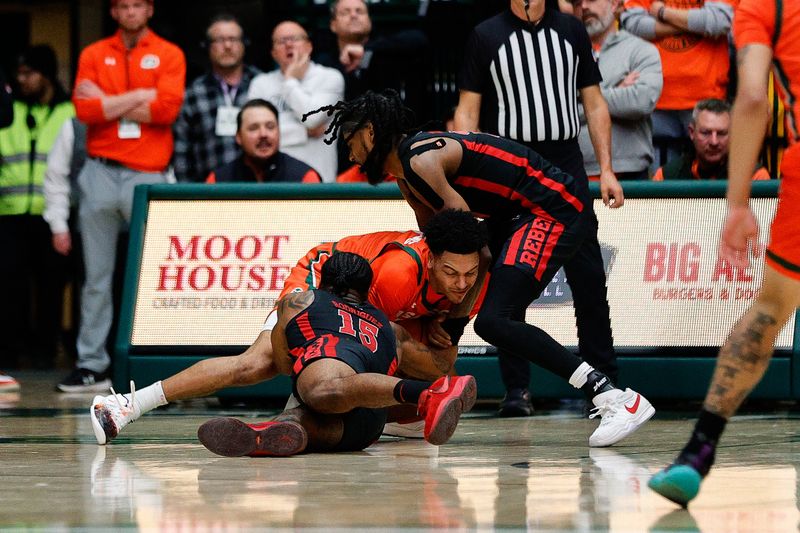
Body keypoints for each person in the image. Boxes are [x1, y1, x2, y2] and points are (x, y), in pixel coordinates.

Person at [309, 89, 655, 447]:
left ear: (369, 133)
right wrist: (437, 318)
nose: (349, 153)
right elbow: (440, 251)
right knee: (496, 316)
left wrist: (456, 323)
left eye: (349, 141)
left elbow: (476, 251)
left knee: (495, 320)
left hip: (551, 207)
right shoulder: (405, 177)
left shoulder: (420, 163)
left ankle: (614, 398)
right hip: (517, 213)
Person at [89, 208, 487, 445]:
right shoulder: (399, 275)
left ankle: (310, 422)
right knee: (259, 365)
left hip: (380, 308)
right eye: (451, 273)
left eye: (468, 276)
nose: (460, 284)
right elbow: (354, 345)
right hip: (327, 281)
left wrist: (450, 330)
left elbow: (445, 350)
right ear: (432, 260)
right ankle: (128, 404)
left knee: (432, 369)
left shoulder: (472, 280)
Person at [648, 0, 800, 507]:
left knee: (769, 313)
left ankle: (698, 451)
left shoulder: (766, 7)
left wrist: (737, 204)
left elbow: (752, 96)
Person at [454, 0, 623, 417]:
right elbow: (467, 110)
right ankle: (516, 391)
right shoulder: (486, 34)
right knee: (509, 282)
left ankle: (605, 386)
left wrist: (606, 168)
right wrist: (470, 168)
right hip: (511, 166)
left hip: (566, 164)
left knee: (588, 278)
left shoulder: (570, 28)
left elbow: (594, 101)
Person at [197, 251, 478, 456]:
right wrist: (451, 326)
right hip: (367, 427)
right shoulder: (391, 328)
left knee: (322, 388)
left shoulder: (300, 300)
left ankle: (428, 394)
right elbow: (438, 364)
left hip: (329, 386)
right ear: (366, 292)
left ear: (323, 283)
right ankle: (271, 434)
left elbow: (283, 364)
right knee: (297, 422)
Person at [62, 0, 185, 392]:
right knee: (95, 277)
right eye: (123, 6)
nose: (131, 12)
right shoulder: (94, 53)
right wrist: (138, 97)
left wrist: (108, 100)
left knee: (153, 276)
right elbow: (84, 109)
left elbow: (165, 110)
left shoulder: (169, 53)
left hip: (148, 173)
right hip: (100, 171)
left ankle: (152, 359)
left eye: (138, 5)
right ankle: (91, 363)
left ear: (150, 9)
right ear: (114, 12)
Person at [0, 45, 75, 379]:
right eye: (18, 73)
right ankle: (10, 353)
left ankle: (46, 352)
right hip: (10, 212)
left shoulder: (69, 111)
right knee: (10, 286)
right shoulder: (7, 108)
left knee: (51, 285)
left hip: (53, 214)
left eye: (29, 73)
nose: (22, 80)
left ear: (45, 75)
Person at [317, 0, 431, 175]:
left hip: (390, 153)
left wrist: (367, 50)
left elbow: (420, 40)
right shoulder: (324, 63)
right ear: (333, 24)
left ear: (369, 20)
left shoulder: (386, 48)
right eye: (346, 12)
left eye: (359, 11)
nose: (353, 15)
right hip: (343, 156)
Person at [620, 0, 735, 167]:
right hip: (657, 98)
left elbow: (720, 21)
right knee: (663, 186)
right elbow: (633, 24)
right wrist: (695, 25)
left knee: (711, 184)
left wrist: (663, 13)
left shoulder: (662, 12)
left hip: (707, 100)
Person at [246, 21, 344, 183]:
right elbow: (253, 134)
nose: (289, 45)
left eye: (295, 39)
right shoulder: (260, 84)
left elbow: (311, 119)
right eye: (282, 41)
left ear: (309, 46)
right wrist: (302, 133)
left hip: (319, 182)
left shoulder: (331, 78)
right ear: (273, 53)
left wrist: (290, 80)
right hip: (274, 183)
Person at [576, 0, 663, 180]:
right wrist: (617, 90)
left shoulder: (640, 50)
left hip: (631, 172)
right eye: (577, 2)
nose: (584, 6)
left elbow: (641, 102)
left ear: (615, 4)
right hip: (576, 170)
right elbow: (554, 111)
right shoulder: (563, 53)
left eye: (591, 0)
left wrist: (583, 98)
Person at [173, 13, 261, 183]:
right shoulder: (194, 92)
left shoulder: (261, 84)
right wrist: (188, 196)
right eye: (219, 40)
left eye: (234, 39)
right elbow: (182, 151)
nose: (227, 46)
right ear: (207, 46)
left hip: (258, 189)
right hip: (208, 191)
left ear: (244, 44)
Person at [652, 98, 771, 181]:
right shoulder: (666, 176)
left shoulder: (755, 177)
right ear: (692, 132)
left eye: (721, 133)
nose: (714, 142)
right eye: (706, 133)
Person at [205, 99, 321, 183]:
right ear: (238, 137)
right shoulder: (218, 180)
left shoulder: (305, 178)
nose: (263, 134)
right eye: (253, 128)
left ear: (279, 132)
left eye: (270, 127)